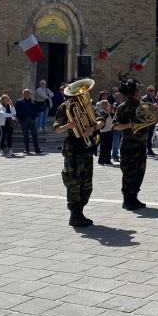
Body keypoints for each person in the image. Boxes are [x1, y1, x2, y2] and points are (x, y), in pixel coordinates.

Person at [54, 84, 104, 227]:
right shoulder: (65, 107)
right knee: (73, 182)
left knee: (87, 183)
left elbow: (101, 120)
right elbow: (57, 129)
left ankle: (80, 212)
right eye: (76, 93)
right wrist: (69, 125)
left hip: (87, 148)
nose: (79, 95)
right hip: (73, 151)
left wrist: (92, 128)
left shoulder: (88, 105)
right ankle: (74, 215)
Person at [113, 78, 148, 210]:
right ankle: (127, 200)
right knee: (129, 173)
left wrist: (155, 112)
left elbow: (151, 120)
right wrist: (130, 125)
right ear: (132, 92)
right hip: (129, 145)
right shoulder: (123, 107)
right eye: (137, 90)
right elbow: (115, 126)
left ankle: (134, 197)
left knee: (140, 172)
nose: (139, 92)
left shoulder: (143, 105)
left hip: (141, 144)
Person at [15, 89, 42, 155]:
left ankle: (37, 149)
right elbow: (16, 111)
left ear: (30, 94)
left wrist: (34, 116)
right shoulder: (19, 102)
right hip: (23, 120)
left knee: (34, 134)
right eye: (25, 93)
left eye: (28, 93)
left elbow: (36, 110)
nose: (27, 94)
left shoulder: (33, 101)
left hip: (32, 119)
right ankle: (27, 149)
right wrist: (18, 119)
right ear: (23, 94)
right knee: (25, 135)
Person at [95, 96, 115, 165]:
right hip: (104, 132)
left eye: (108, 103)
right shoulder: (102, 113)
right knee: (103, 147)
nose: (108, 105)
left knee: (109, 147)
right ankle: (101, 161)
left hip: (110, 131)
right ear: (102, 105)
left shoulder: (108, 112)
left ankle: (107, 160)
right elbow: (102, 120)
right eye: (106, 104)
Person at [142, 85, 158, 156]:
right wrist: (152, 106)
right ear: (147, 91)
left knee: (150, 135)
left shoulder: (154, 98)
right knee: (146, 135)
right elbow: (143, 107)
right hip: (147, 119)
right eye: (150, 90)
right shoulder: (144, 98)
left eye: (153, 90)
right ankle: (146, 150)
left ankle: (149, 149)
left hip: (152, 119)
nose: (152, 92)